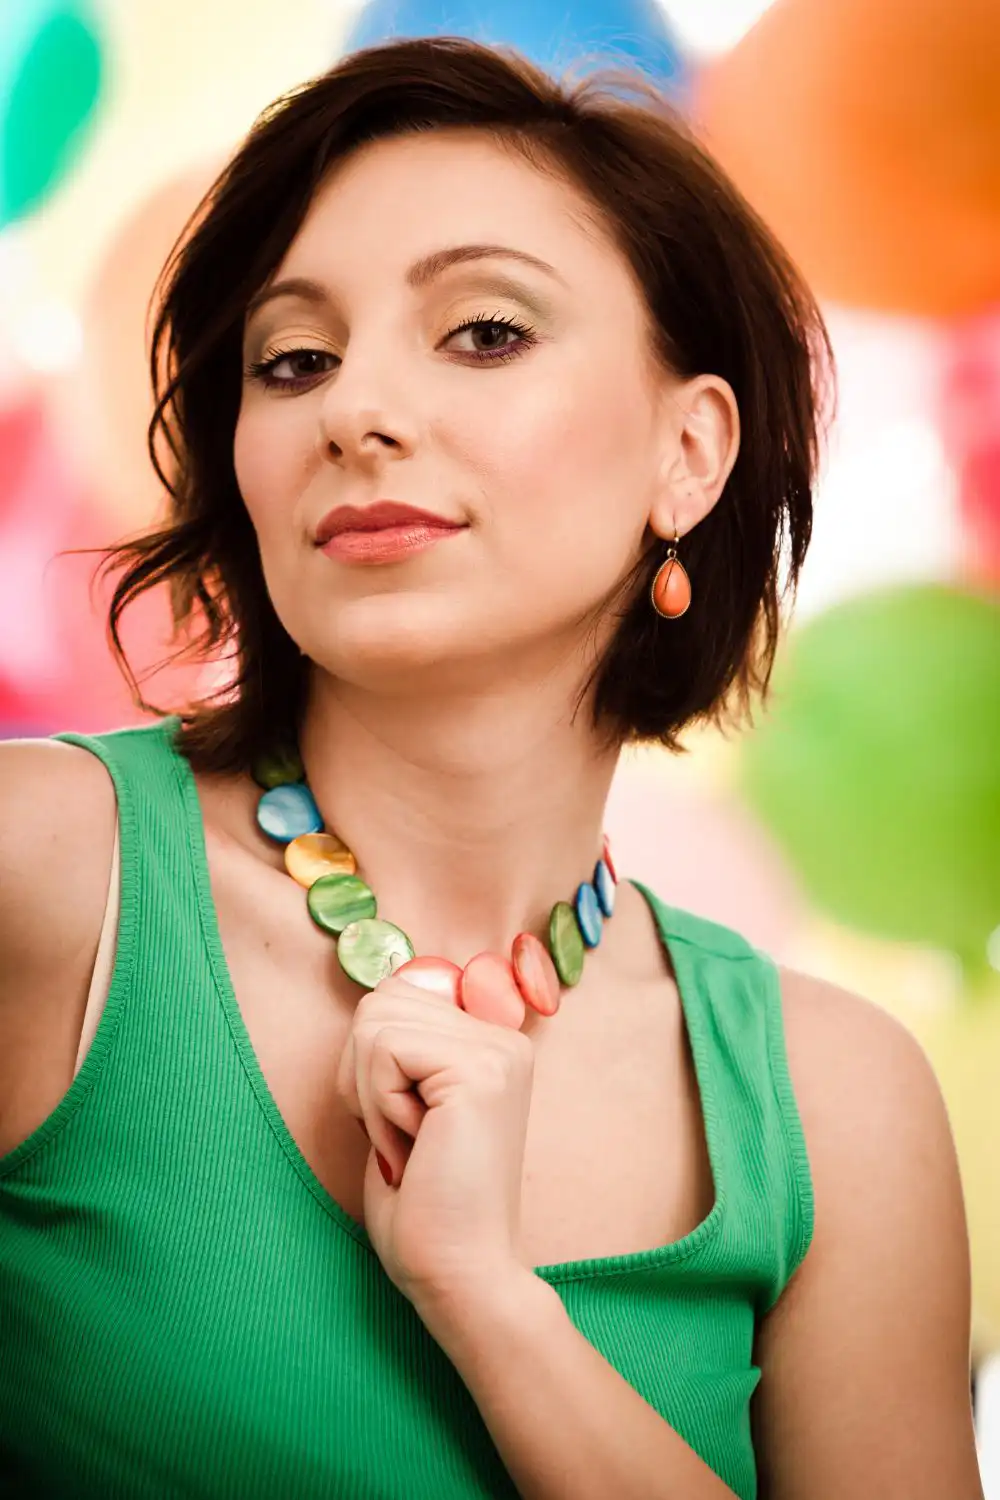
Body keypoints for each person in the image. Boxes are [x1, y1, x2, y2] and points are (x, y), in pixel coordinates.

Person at [0, 35, 983, 1500]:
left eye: (485, 332)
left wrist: (487, 1299)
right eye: (293, 360)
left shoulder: (841, 1102)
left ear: (689, 453)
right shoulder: (46, 879)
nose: (354, 411)